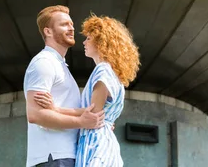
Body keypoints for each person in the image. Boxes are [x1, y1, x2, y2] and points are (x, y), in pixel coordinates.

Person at [34, 14, 140, 167]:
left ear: (102, 42)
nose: (83, 42)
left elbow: (92, 114)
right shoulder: (113, 75)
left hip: (96, 146)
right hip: (101, 144)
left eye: (89, 38)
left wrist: (55, 109)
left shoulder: (102, 71)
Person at [24, 6, 105, 167]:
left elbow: (69, 110)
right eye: (64, 24)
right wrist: (82, 122)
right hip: (53, 157)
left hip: (65, 156)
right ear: (48, 32)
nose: (72, 28)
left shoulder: (60, 65)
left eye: (72, 24)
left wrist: (99, 120)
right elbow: (35, 115)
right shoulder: (44, 62)